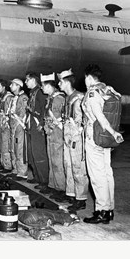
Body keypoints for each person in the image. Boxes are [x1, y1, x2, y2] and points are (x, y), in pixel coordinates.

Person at [81, 64, 124, 224]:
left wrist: (113, 132)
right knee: (107, 173)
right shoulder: (108, 89)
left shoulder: (92, 93)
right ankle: (110, 209)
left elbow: (100, 117)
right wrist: (112, 134)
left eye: (85, 78)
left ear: (90, 78)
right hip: (106, 140)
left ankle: (101, 211)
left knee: (97, 176)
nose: (84, 81)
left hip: (95, 138)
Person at [58, 68, 88, 211]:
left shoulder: (79, 98)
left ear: (66, 83)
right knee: (68, 165)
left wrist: (76, 133)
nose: (59, 85)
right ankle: (71, 193)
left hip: (76, 138)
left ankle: (81, 198)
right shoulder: (67, 98)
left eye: (60, 82)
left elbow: (83, 121)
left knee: (77, 168)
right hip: (67, 137)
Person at [41, 73, 67, 202]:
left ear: (49, 86)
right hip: (50, 132)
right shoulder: (50, 98)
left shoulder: (58, 98)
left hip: (57, 133)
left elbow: (61, 117)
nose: (42, 88)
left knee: (58, 162)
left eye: (43, 86)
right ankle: (53, 185)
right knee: (51, 160)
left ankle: (61, 189)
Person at [25, 72, 50, 193]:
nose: (25, 83)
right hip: (31, 126)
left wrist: (42, 124)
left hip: (37, 128)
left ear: (33, 80)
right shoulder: (32, 93)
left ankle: (44, 181)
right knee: (32, 153)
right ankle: (37, 176)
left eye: (27, 80)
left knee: (39, 154)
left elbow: (45, 109)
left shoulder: (39, 92)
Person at [8, 79, 29, 180]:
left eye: (12, 84)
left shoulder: (23, 97)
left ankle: (22, 172)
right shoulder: (14, 98)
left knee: (19, 148)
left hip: (19, 125)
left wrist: (19, 122)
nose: (10, 86)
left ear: (18, 86)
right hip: (13, 124)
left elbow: (24, 113)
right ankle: (15, 169)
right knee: (13, 148)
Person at [0, 79, 13, 173]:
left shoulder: (8, 97)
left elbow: (9, 112)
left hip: (6, 125)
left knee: (6, 145)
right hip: (1, 124)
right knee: (1, 144)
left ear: (3, 87)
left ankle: (8, 166)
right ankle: (3, 164)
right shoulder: (2, 97)